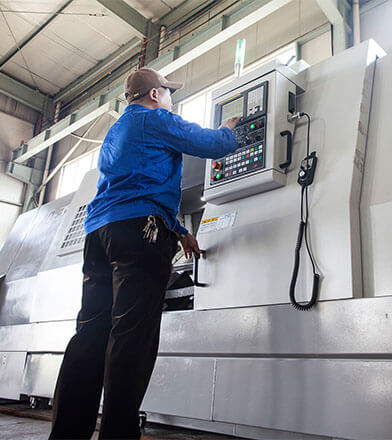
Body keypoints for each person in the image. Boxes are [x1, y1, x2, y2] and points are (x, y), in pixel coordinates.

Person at [49, 67, 239, 439]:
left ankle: (67, 433)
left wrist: (179, 230)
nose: (170, 100)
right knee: (131, 335)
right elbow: (211, 144)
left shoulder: (117, 131)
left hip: (99, 233)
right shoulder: (155, 119)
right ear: (154, 94)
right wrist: (229, 129)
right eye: (168, 93)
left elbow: (134, 184)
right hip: (140, 233)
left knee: (90, 334)